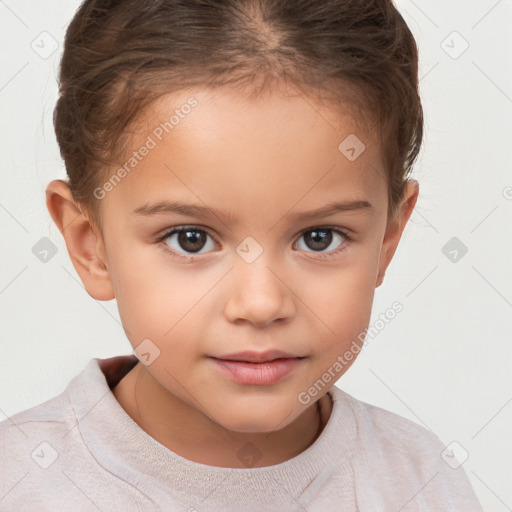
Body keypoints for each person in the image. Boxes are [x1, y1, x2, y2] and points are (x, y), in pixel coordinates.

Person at [0, 0, 484, 510]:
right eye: (190, 239)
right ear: (90, 245)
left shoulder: (423, 483)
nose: (260, 304)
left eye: (320, 238)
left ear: (387, 239)